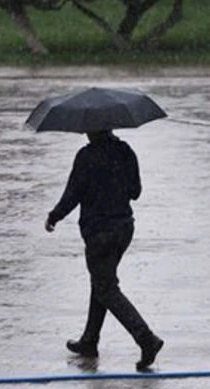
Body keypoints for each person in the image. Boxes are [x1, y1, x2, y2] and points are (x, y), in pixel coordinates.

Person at [45, 130, 164, 371]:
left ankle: (146, 339)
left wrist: (54, 217)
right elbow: (135, 192)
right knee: (101, 282)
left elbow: (72, 195)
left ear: (91, 130)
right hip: (123, 229)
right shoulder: (125, 151)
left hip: (99, 233)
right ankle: (90, 340)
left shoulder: (86, 156)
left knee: (106, 288)